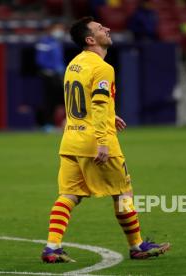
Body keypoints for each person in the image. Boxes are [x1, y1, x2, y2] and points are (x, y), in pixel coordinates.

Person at [41, 16, 171, 263]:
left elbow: (83, 102)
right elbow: (99, 104)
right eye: (101, 28)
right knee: (124, 192)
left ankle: (52, 248)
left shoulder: (74, 64)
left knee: (69, 195)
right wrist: (102, 138)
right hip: (95, 142)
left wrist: (110, 115)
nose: (108, 28)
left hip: (71, 141)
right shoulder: (103, 68)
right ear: (91, 39)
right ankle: (137, 245)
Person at [35, 22, 66, 130]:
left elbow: (59, 60)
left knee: (62, 99)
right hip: (48, 75)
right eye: (58, 28)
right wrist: (53, 68)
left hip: (58, 76)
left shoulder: (58, 42)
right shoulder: (44, 42)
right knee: (48, 100)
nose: (60, 31)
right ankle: (46, 124)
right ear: (52, 29)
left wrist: (61, 68)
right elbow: (40, 60)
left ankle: (61, 123)